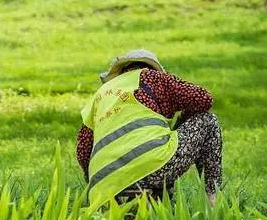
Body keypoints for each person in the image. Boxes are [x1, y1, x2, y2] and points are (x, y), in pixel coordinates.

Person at [77, 49, 221, 210]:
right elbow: (203, 99)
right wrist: (183, 118)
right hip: (154, 167)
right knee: (207, 119)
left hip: (104, 184)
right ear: (149, 67)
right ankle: (212, 203)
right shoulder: (154, 77)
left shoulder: (100, 94)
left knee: (161, 141)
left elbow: (83, 152)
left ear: (122, 70)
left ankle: (139, 206)